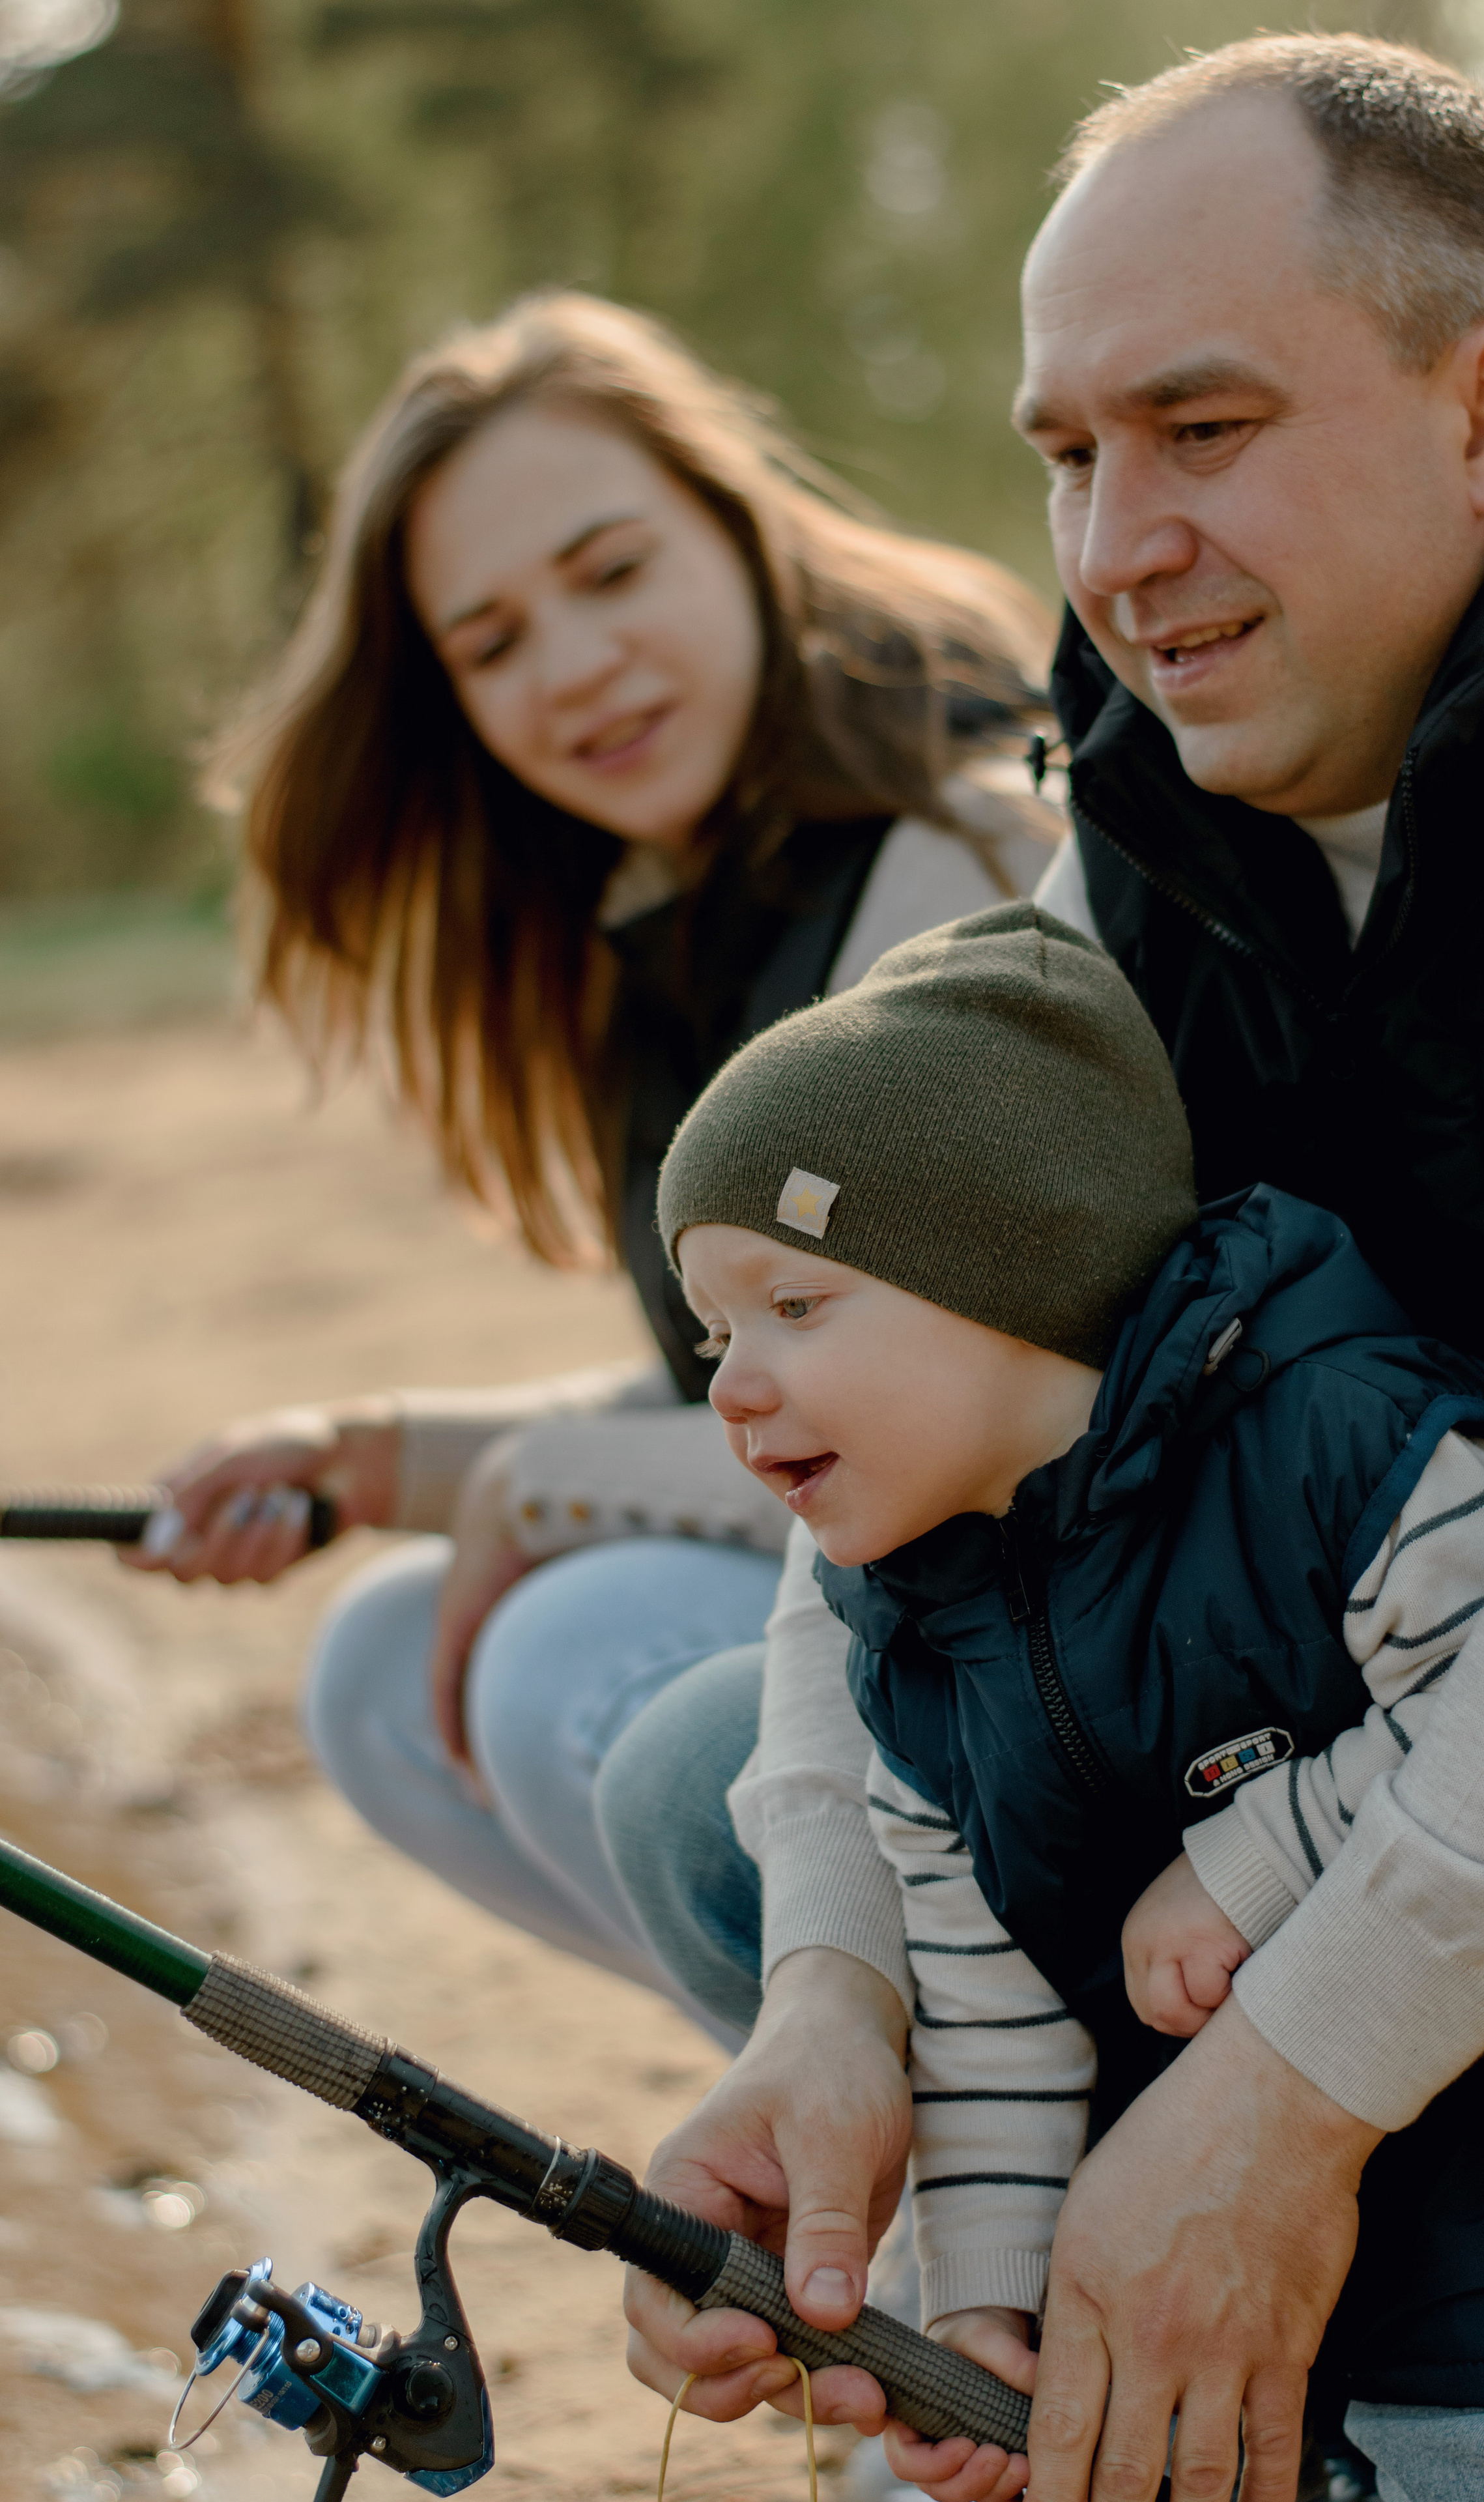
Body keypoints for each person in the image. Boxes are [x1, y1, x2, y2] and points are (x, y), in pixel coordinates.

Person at [603, 35, 1484, 2502]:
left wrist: (1293, 2093)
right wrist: (837, 2005)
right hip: (1406, 1744)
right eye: (1068, 456)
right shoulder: (1150, 811)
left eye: (1203, 429)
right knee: (723, 1804)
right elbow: (917, 1416)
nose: (1115, 549)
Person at [648, 897, 1484, 2502]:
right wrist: (986, 2306)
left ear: (1014, 1270)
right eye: (710, 1332)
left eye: (793, 1307)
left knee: (1473, 2454)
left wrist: (1255, 1859)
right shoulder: (915, 1626)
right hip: (1224, 2168)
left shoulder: (1347, 1440)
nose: (730, 1383)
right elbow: (974, 2000)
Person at [126, 289, 1056, 2028]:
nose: (570, 669)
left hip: (1077, 1636)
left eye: (613, 572)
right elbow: (762, 1382)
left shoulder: (956, 858)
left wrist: (532, 1489)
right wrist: (373, 1457)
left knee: (564, 1644)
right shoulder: (678, 909)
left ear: (737, 524)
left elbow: (938, 1430)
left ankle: (956, 2168)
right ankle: (862, 2130)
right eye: (489, 644)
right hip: (916, 1603)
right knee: (387, 1666)